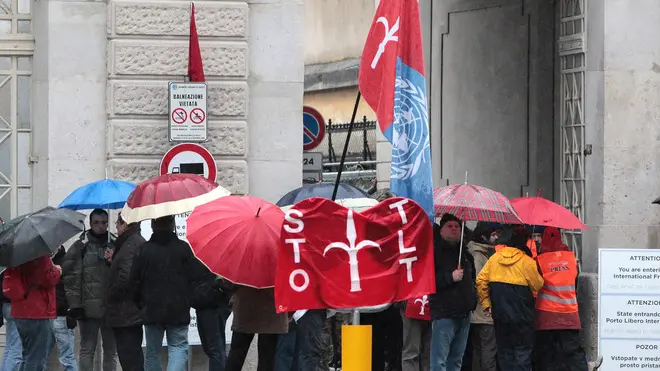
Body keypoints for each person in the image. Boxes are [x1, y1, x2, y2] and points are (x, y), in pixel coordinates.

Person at [476, 227, 544, 371]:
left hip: (500, 315)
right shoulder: (527, 262)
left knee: (504, 352)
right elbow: (538, 285)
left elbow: (480, 280)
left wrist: (486, 303)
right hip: (523, 317)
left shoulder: (494, 259)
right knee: (523, 352)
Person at [131, 215, 194, 371]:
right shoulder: (183, 248)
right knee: (178, 348)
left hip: (151, 309)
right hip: (179, 308)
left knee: (152, 353)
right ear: (172, 224)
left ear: (152, 225)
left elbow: (134, 282)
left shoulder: (143, 250)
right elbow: (193, 278)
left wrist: (140, 303)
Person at [61, 208, 117, 371]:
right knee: (87, 350)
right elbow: (71, 277)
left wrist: (112, 261)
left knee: (110, 352)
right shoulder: (80, 246)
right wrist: (75, 305)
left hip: (109, 307)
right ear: (90, 224)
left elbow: (124, 273)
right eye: (96, 223)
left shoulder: (115, 244)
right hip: (87, 308)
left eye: (104, 223)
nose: (100, 226)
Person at [534, 227, 588, 371]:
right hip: (569, 314)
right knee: (573, 352)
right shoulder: (571, 258)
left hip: (547, 315)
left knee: (548, 355)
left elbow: (535, 285)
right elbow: (574, 282)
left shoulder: (540, 260)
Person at [429, 214, 477, 371]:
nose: (454, 229)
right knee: (439, 361)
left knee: (456, 361)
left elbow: (472, 278)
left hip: (464, 314)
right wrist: (450, 277)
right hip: (444, 314)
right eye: (450, 226)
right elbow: (429, 280)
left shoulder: (465, 253)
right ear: (441, 230)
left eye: (457, 226)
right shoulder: (434, 252)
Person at [104, 213, 146, 371]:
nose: (115, 227)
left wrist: (111, 294)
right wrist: (113, 262)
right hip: (128, 312)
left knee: (130, 359)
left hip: (126, 312)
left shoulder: (130, 244)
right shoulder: (130, 243)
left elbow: (126, 278)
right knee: (131, 357)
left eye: (118, 223)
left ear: (126, 224)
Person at [5, 256, 61, 371]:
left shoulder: (15, 257)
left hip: (20, 311)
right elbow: (48, 279)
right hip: (37, 311)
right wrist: (57, 270)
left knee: (27, 355)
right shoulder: (40, 255)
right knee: (36, 359)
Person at [226, 286, 288, 371]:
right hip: (272, 311)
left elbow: (229, 283)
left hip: (245, 307)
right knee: (266, 358)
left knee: (237, 354)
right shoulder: (279, 272)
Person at [188, 254, 233, 371]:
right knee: (211, 349)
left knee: (215, 350)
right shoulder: (202, 256)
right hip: (204, 304)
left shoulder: (224, 256)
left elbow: (230, 283)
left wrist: (219, 286)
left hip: (214, 306)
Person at [466, 222, 500, 371]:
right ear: (483, 236)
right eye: (493, 235)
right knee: (487, 351)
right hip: (483, 313)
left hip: (475, 313)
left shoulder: (478, 252)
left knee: (478, 351)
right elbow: (480, 283)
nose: (496, 237)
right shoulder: (479, 256)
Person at [48, 246, 78, 371]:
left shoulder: (65, 262)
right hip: (48, 314)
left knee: (67, 357)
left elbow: (72, 288)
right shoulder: (45, 262)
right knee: (40, 356)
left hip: (61, 314)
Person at [0, 269, 22, 371]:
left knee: (10, 347)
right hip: (15, 305)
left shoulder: (5, 268)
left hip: (5, 305)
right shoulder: (17, 267)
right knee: (16, 350)